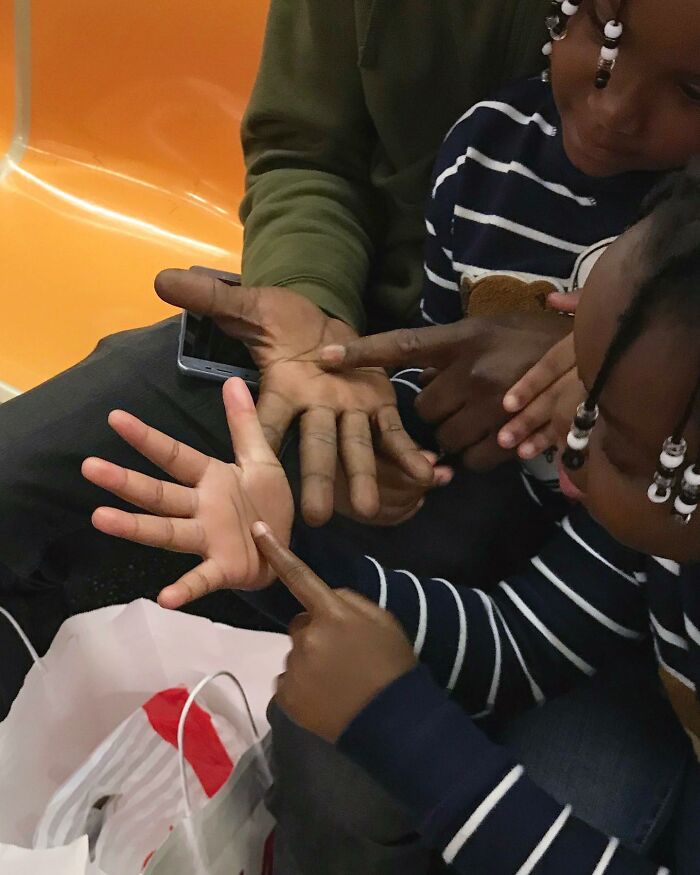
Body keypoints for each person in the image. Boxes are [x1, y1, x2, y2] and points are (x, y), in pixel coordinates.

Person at [83, 163, 700, 872]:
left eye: (612, 440)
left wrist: (409, 734)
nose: (563, 432)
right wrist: (283, 553)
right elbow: (516, 642)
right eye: (574, 376)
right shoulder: (640, 535)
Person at [0, 0, 554, 707]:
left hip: (603, 457)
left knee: (349, 774)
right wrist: (313, 304)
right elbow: (307, 150)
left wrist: (596, 346)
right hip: (343, 341)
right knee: (21, 479)